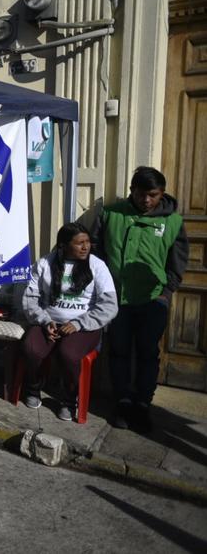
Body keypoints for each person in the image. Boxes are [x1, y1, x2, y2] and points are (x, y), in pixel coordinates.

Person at [91, 166, 189, 433]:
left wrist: (167, 292)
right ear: (132, 191)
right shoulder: (111, 214)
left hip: (153, 299)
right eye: (141, 194)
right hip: (117, 298)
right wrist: (103, 287)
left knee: (148, 354)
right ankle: (122, 402)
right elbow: (96, 251)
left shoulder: (173, 222)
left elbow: (178, 262)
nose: (146, 200)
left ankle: (143, 405)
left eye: (153, 195)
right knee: (119, 351)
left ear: (162, 194)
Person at [20, 222, 118, 421]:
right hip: (48, 322)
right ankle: (33, 387)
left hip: (84, 326)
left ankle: (68, 399)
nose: (85, 247)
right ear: (63, 246)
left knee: (69, 353)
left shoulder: (97, 266)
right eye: (79, 243)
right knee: (31, 348)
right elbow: (30, 299)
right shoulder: (45, 264)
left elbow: (109, 306)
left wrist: (79, 324)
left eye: (88, 242)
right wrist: (44, 320)